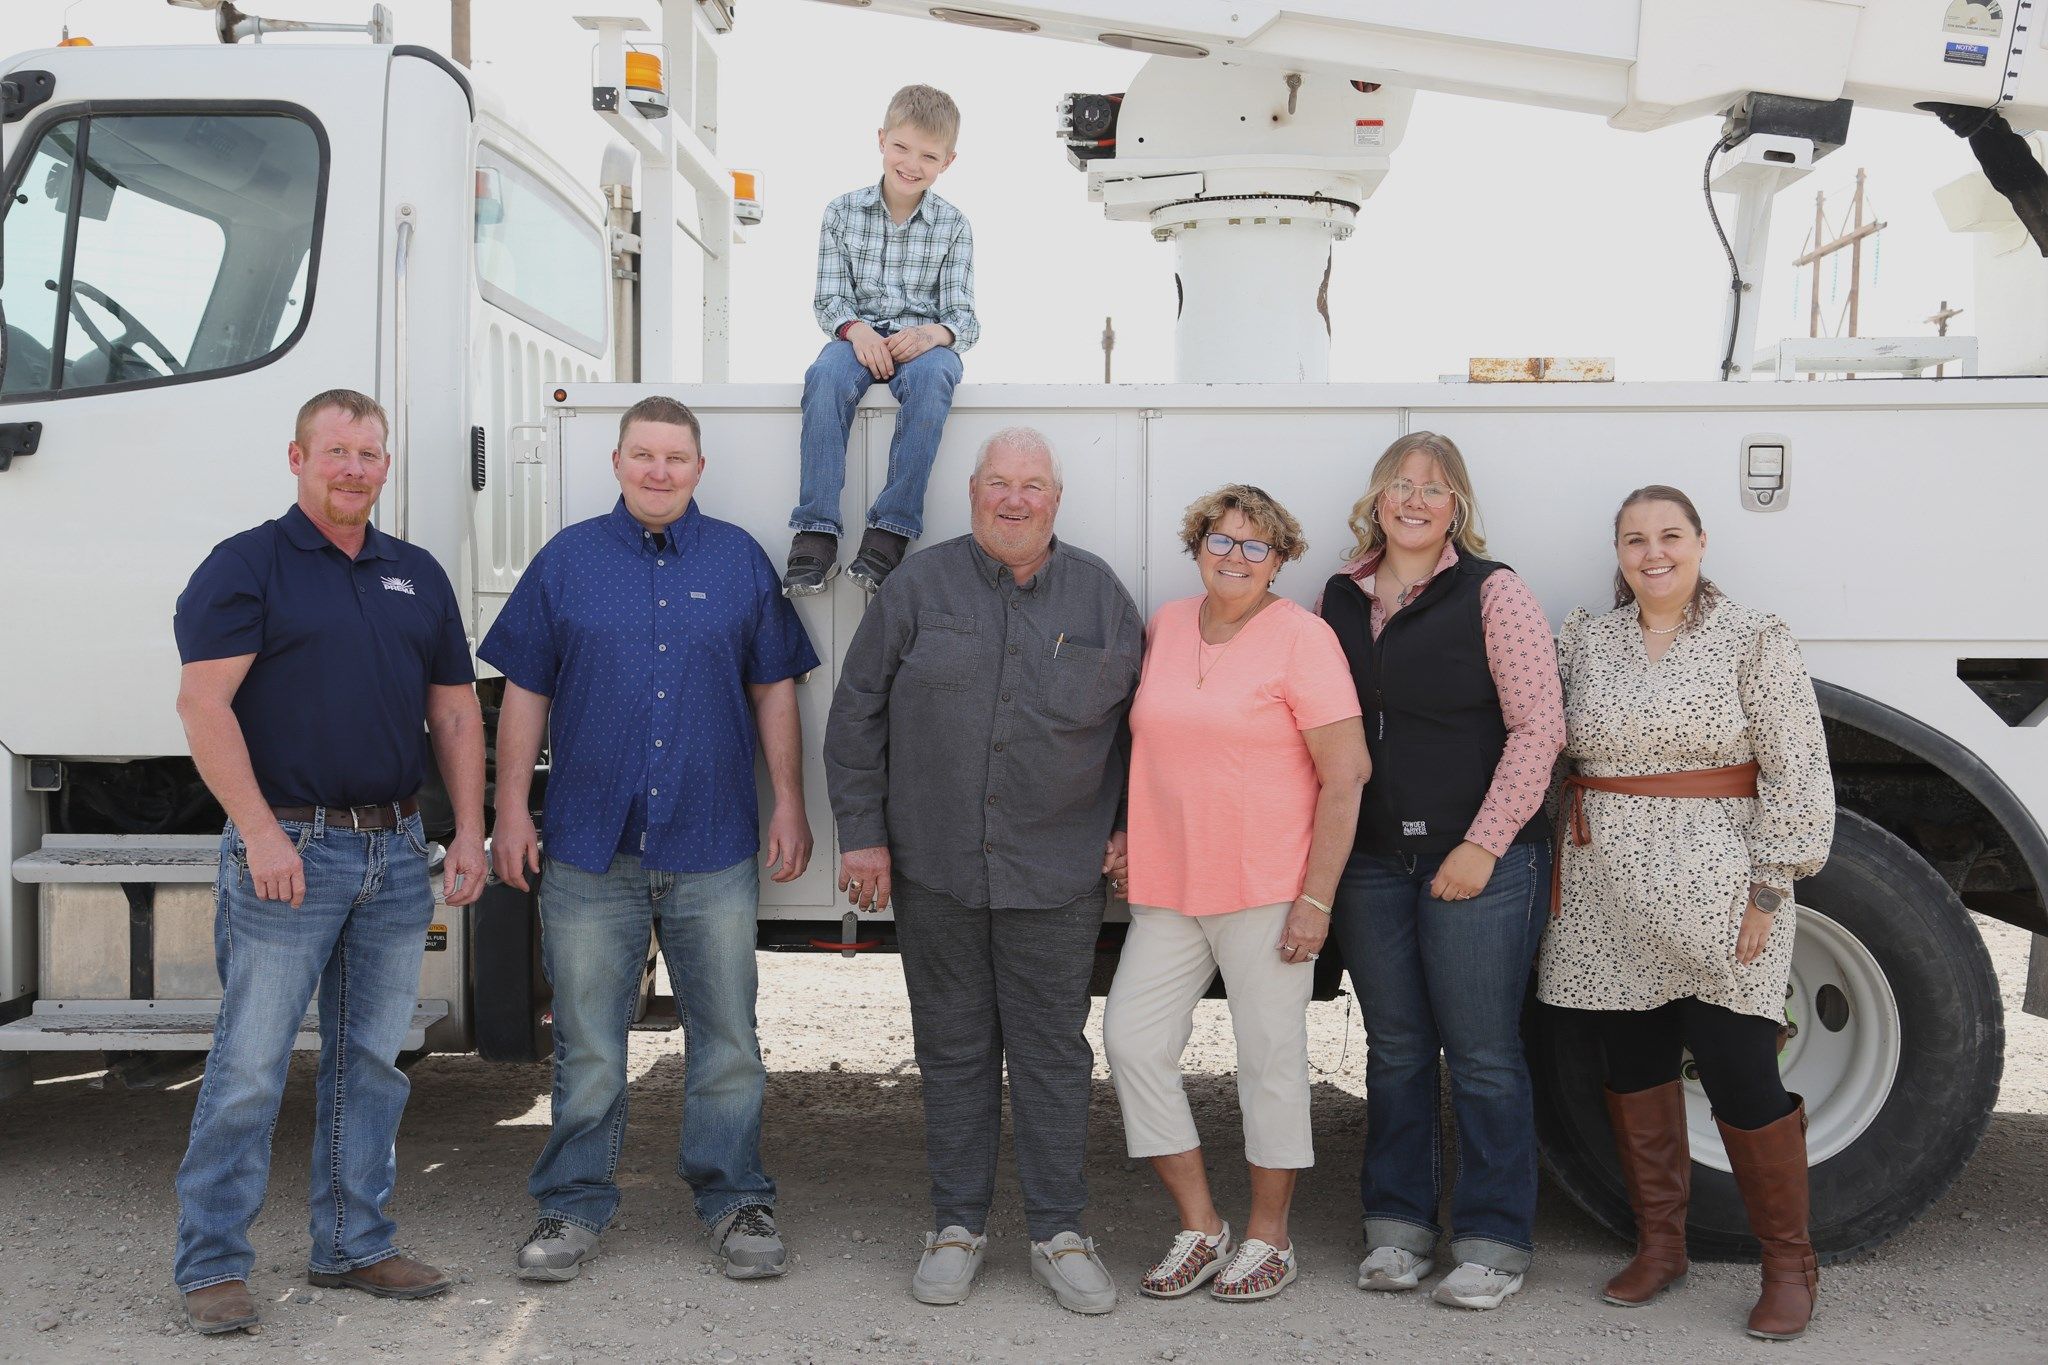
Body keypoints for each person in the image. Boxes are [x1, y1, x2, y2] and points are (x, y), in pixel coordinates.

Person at [481, 396, 819, 1284]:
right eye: (643, 454)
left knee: (728, 1039)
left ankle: (734, 1197)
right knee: (589, 1042)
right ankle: (572, 1202)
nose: (659, 470)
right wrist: (508, 809)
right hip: (591, 846)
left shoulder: (739, 560)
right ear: (618, 462)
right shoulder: (567, 562)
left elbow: (775, 688)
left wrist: (790, 801)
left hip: (713, 842)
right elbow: (525, 692)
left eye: (675, 457)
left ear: (699, 468)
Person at [170, 389, 487, 1334]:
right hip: (290, 849)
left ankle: (354, 1243)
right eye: (336, 451)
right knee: (251, 1065)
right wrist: (260, 833)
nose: (354, 468)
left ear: (386, 464)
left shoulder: (416, 574)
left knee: (374, 1061)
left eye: (369, 453)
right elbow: (202, 706)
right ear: (298, 456)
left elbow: (455, 712)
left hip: (397, 849)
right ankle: (212, 1261)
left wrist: (468, 829)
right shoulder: (246, 565)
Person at [824, 427, 1142, 1313]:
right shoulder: (917, 587)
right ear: (972, 493)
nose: (1014, 498)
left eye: (1032, 484)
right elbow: (856, 713)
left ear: (1056, 499)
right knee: (953, 1048)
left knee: (1051, 1055)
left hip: (1057, 874)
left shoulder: (1103, 597)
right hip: (936, 868)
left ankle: (1060, 1233)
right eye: (998, 482)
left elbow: (1146, 729)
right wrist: (862, 833)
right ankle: (956, 1227)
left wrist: (1130, 824)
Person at [1539, 484, 1833, 1341]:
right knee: (1634, 1068)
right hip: (1607, 894)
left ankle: (1790, 1265)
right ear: (1619, 552)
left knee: (1741, 1071)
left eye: (1670, 535)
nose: (1653, 552)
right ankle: (1661, 1246)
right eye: (1635, 539)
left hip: (1721, 890)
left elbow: (1798, 768)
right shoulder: (1588, 640)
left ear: (1701, 542)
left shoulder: (1753, 637)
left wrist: (1770, 887)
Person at [1318, 431, 1565, 1312]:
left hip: (1481, 861)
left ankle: (1494, 1241)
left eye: (1433, 487)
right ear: (1377, 499)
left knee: (1484, 1053)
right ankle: (1398, 1227)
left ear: (1455, 505)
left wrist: (1483, 842)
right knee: (1396, 1048)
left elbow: (1540, 727)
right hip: (1372, 862)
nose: (1414, 500)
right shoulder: (1339, 596)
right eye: (1400, 484)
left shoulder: (1494, 592)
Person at [1104, 485, 1369, 1303]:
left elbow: (1347, 775)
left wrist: (1316, 900)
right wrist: (1128, 829)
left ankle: (1270, 1237)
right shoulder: (1167, 624)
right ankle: (1201, 1224)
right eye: (1220, 539)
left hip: (1268, 888)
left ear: (1280, 560)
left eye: (1256, 546)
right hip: (1169, 886)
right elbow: (1155, 745)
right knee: (1132, 1041)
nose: (1235, 557)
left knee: (1269, 1061)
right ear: (1198, 546)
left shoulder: (1304, 638)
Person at [782, 83, 979, 599]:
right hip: (857, 335)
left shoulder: (954, 226)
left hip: (921, 341)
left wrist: (932, 334)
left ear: (948, 161)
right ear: (881, 140)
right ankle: (816, 530)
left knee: (936, 376)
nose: (912, 164)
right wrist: (857, 331)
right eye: (901, 148)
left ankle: (891, 529)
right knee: (825, 375)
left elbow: (963, 318)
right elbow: (829, 300)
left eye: (928, 156)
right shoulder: (842, 212)